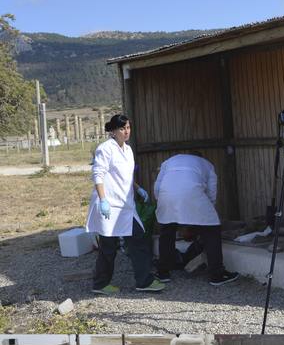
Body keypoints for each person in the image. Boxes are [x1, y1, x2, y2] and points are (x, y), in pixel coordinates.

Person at [86, 113, 165, 294]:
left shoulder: (128, 150)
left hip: (125, 206)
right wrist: (103, 200)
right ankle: (100, 284)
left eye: (128, 127)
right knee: (108, 247)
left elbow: (125, 176)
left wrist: (138, 188)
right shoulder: (105, 149)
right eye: (122, 128)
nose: (126, 131)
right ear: (113, 131)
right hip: (109, 206)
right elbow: (98, 175)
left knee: (138, 240)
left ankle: (144, 281)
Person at [153, 152, 239, 286]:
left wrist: (163, 201)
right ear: (201, 157)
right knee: (212, 229)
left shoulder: (168, 161)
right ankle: (217, 274)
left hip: (166, 195)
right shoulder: (208, 165)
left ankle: (163, 272)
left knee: (167, 230)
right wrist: (206, 214)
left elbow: (157, 186)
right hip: (192, 193)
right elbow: (211, 192)